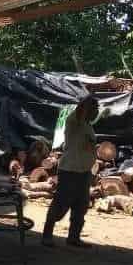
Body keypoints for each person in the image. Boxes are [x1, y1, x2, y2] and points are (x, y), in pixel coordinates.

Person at [42, 95, 99, 248]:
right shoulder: (74, 121)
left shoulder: (88, 125)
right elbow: (82, 109)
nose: (97, 111)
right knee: (61, 203)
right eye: (94, 108)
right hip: (69, 170)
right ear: (86, 108)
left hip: (84, 171)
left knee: (81, 206)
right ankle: (47, 235)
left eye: (97, 108)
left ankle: (73, 237)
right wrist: (90, 96)